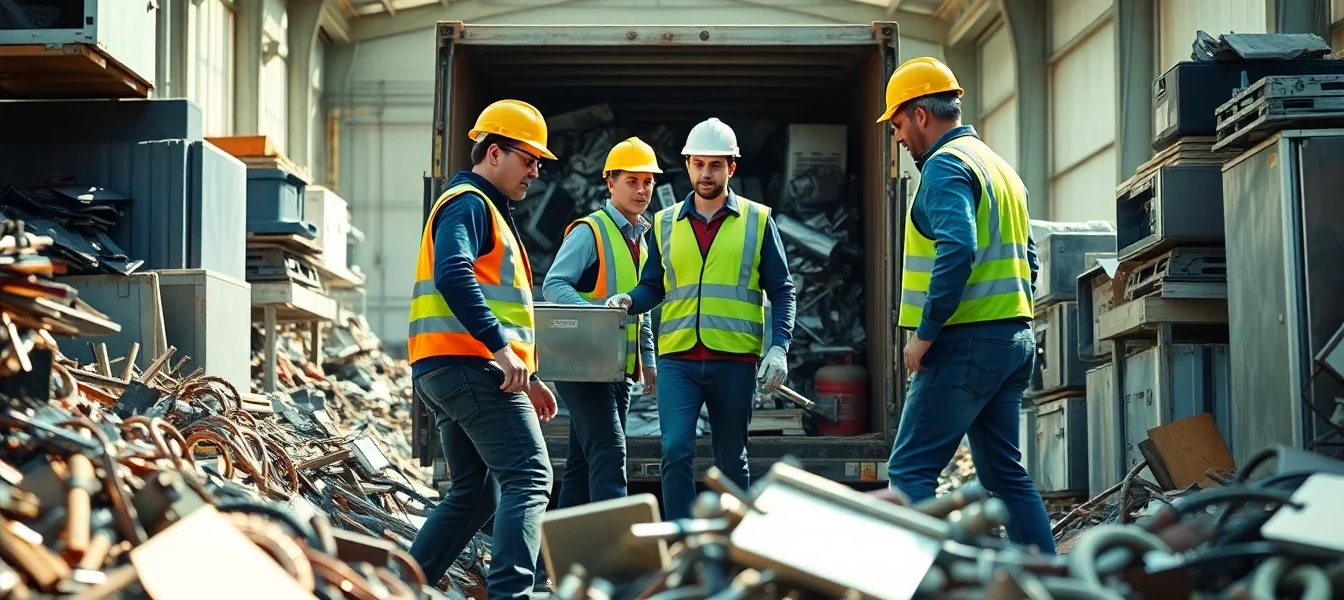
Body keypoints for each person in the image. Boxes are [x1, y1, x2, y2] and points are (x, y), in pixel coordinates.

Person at [875, 57, 1056, 553]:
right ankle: (1047, 577)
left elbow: (957, 248)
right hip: (1013, 339)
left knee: (909, 472)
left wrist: (925, 335)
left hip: (964, 343)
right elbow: (1029, 259)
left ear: (919, 114)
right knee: (1005, 475)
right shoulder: (999, 167)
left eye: (896, 124)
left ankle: (919, 583)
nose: (897, 138)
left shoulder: (945, 167)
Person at [406, 99, 561, 598]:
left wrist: (530, 377)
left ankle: (397, 588)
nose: (535, 172)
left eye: (539, 163)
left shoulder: (481, 207)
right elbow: (454, 274)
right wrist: (500, 350)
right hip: (472, 367)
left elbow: (494, 297)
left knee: (475, 495)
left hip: (449, 369)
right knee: (531, 477)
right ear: (494, 153)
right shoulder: (470, 204)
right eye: (529, 159)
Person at [607, 117, 796, 521]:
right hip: (679, 361)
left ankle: (733, 546)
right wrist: (630, 300)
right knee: (675, 450)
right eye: (697, 163)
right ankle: (679, 541)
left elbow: (782, 291)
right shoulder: (662, 222)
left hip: (735, 360)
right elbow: (653, 287)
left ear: (732, 168)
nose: (705, 173)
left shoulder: (758, 221)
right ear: (688, 166)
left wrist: (778, 348)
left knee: (732, 459)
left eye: (715, 165)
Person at [541, 137, 661, 507]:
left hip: (615, 366)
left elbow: (637, 304)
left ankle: (557, 562)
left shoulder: (641, 237)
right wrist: (594, 319)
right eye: (632, 181)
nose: (642, 190)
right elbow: (553, 284)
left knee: (581, 464)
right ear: (610, 183)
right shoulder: (589, 231)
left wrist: (649, 359)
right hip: (582, 364)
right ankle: (615, 559)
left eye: (648, 182)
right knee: (610, 455)